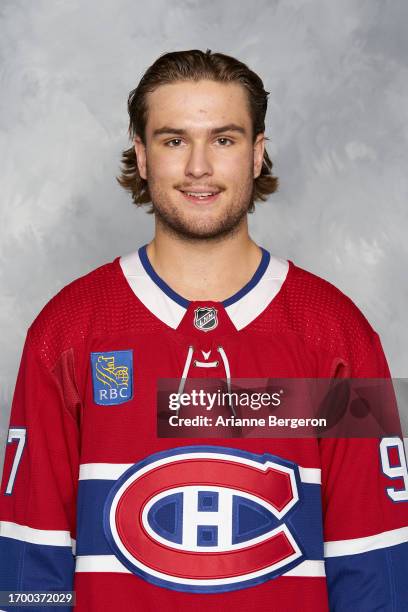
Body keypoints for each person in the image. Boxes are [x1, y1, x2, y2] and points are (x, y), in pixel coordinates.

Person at [0, 48, 407, 611]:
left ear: (257, 154)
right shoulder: (70, 331)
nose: (198, 167)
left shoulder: (334, 335)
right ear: (141, 156)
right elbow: (31, 563)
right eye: (173, 140)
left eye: (224, 139)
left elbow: (374, 569)